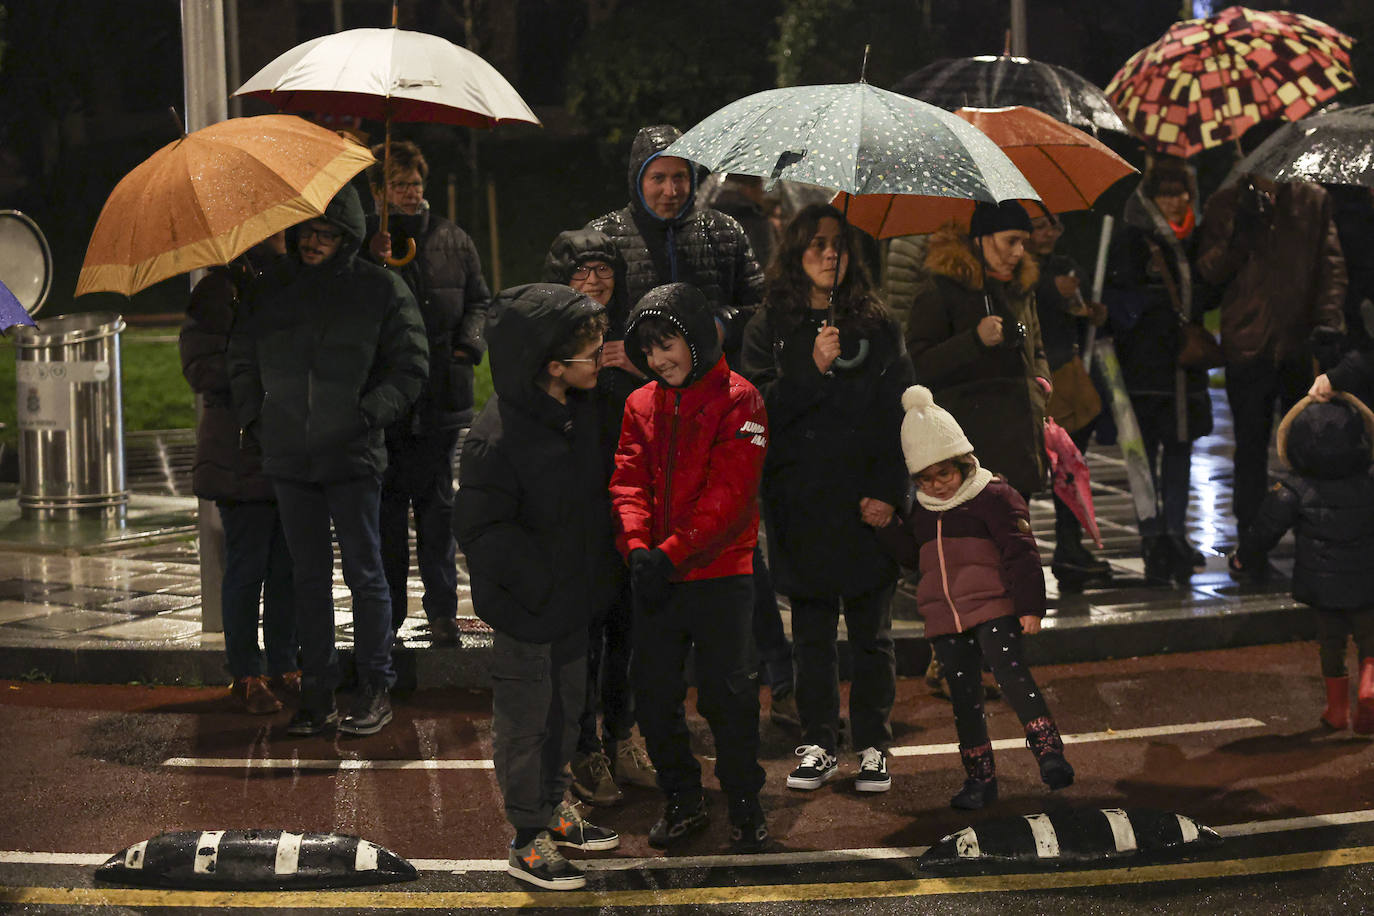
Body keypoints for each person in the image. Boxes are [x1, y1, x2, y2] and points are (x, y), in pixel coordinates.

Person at [589, 123, 796, 729]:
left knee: (737, 546)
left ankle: (777, 680)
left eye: (682, 176)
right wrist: (627, 350)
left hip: (715, 412)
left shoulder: (725, 231)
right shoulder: (605, 236)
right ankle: (646, 709)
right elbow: (582, 307)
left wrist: (712, 330)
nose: (672, 189)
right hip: (638, 415)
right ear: (637, 178)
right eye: (659, 176)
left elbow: (759, 309)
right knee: (647, 553)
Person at [228, 186, 428, 738]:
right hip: (290, 457)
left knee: (366, 575)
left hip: (353, 455)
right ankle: (316, 693)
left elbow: (410, 365)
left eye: (327, 233)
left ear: (347, 236)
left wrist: (366, 414)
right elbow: (240, 357)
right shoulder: (271, 289)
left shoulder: (378, 287)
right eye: (307, 231)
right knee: (306, 577)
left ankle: (374, 687)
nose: (315, 242)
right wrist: (259, 416)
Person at [453, 283, 623, 890]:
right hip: (530, 609)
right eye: (591, 351)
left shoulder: (578, 409)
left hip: (572, 602)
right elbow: (478, 528)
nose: (601, 355)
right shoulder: (497, 435)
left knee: (567, 713)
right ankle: (527, 838)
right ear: (553, 367)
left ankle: (554, 808)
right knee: (526, 725)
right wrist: (541, 585)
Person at [740, 203, 911, 794]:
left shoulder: (877, 324)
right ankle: (817, 739)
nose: (829, 254)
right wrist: (809, 369)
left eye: (838, 244)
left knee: (872, 633)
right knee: (811, 632)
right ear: (794, 252)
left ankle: (872, 743)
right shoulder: (769, 324)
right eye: (815, 244)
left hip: (866, 502)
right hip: (802, 502)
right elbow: (757, 411)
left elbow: (901, 413)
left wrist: (890, 493)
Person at [610, 282, 770, 853]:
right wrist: (636, 549)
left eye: (668, 343)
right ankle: (682, 797)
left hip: (721, 575)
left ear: (697, 338)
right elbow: (627, 481)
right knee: (652, 694)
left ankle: (745, 802)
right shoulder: (640, 403)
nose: (658, 360)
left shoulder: (741, 399)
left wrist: (667, 552)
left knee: (729, 696)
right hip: (656, 573)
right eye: (648, 350)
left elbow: (729, 498)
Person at [878, 386, 1074, 809]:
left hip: (993, 606)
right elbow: (914, 558)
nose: (937, 486)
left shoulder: (994, 497)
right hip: (945, 616)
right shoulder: (922, 510)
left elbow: (1022, 554)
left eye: (944, 475)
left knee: (1010, 671)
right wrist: (888, 527)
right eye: (925, 479)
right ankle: (980, 780)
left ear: (964, 463)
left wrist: (1029, 607)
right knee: (964, 696)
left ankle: (1049, 752)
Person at [542, 229, 657, 805]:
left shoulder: (635, 333)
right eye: (580, 271)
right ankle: (583, 747)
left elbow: (675, 394)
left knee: (627, 631)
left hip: (632, 505)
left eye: (603, 270)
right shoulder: (546, 338)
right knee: (582, 639)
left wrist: (638, 367)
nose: (592, 282)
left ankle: (623, 738)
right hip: (576, 511)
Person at [365, 140, 491, 646]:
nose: (411, 194)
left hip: (441, 398)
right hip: (389, 400)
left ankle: (442, 611)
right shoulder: (369, 246)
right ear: (378, 192)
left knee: (438, 511)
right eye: (398, 185)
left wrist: (468, 347)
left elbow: (479, 301)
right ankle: (389, 615)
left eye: (415, 184)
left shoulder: (453, 240)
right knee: (388, 514)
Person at [1196, 163, 1346, 575]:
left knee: (1309, 448)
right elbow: (1208, 272)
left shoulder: (1311, 200)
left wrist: (1329, 322)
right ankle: (1252, 545)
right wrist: (1241, 233)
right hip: (1248, 346)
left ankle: (1313, 543)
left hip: (1299, 344)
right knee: (1249, 450)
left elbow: (1330, 268)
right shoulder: (1227, 203)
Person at [180, 235, 297, 715]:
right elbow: (200, 370)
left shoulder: (286, 284)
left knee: (286, 565)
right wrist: (254, 365)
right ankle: (246, 672)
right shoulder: (215, 293)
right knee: (247, 566)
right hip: (238, 450)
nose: (282, 236)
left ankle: (285, 661)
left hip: (286, 449)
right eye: (274, 231)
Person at [1232, 393, 1374, 735]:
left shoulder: (1295, 489)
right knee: (1371, 642)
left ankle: (1336, 711)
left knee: (1331, 645)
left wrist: (1242, 558)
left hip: (1322, 584)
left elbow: (1265, 529)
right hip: (1368, 582)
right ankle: (1370, 686)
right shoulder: (1369, 485)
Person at [1102, 158, 1214, 585]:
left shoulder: (1196, 238)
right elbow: (1119, 298)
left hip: (1184, 369)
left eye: (1182, 192)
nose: (1176, 200)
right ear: (1151, 196)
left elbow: (1207, 291)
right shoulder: (1134, 237)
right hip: (1145, 367)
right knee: (1144, 456)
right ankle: (1152, 536)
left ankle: (1174, 533)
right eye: (1167, 192)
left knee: (1181, 450)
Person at [905, 200, 1051, 500]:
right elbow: (919, 365)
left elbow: (1036, 345)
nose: (1018, 252)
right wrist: (974, 341)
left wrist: (1041, 381)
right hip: (971, 443)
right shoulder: (942, 291)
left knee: (1017, 534)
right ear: (981, 238)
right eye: (1010, 241)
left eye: (1023, 242)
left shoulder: (1021, 288)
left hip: (1020, 438)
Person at [1027, 206, 1111, 590]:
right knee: (1027, 473)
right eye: (1037, 226)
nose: (1048, 232)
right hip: (1035, 377)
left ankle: (1069, 545)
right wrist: (1049, 289)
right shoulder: (1020, 268)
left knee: (1069, 464)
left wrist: (1088, 309)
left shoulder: (1064, 264)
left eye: (1052, 224)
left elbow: (1078, 308)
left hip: (1066, 372)